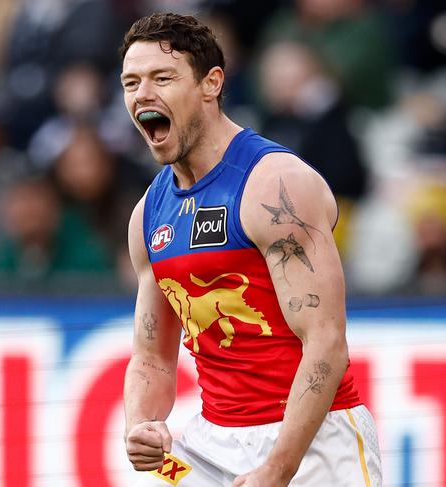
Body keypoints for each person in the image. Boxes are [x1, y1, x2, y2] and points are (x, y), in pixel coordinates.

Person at [120, 12, 382, 487]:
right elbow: (151, 356)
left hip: (314, 445)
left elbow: (326, 343)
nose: (143, 94)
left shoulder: (275, 185)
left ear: (211, 83)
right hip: (210, 445)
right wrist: (140, 426)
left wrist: (276, 470)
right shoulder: (148, 214)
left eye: (162, 78)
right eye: (131, 82)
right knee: (161, 474)